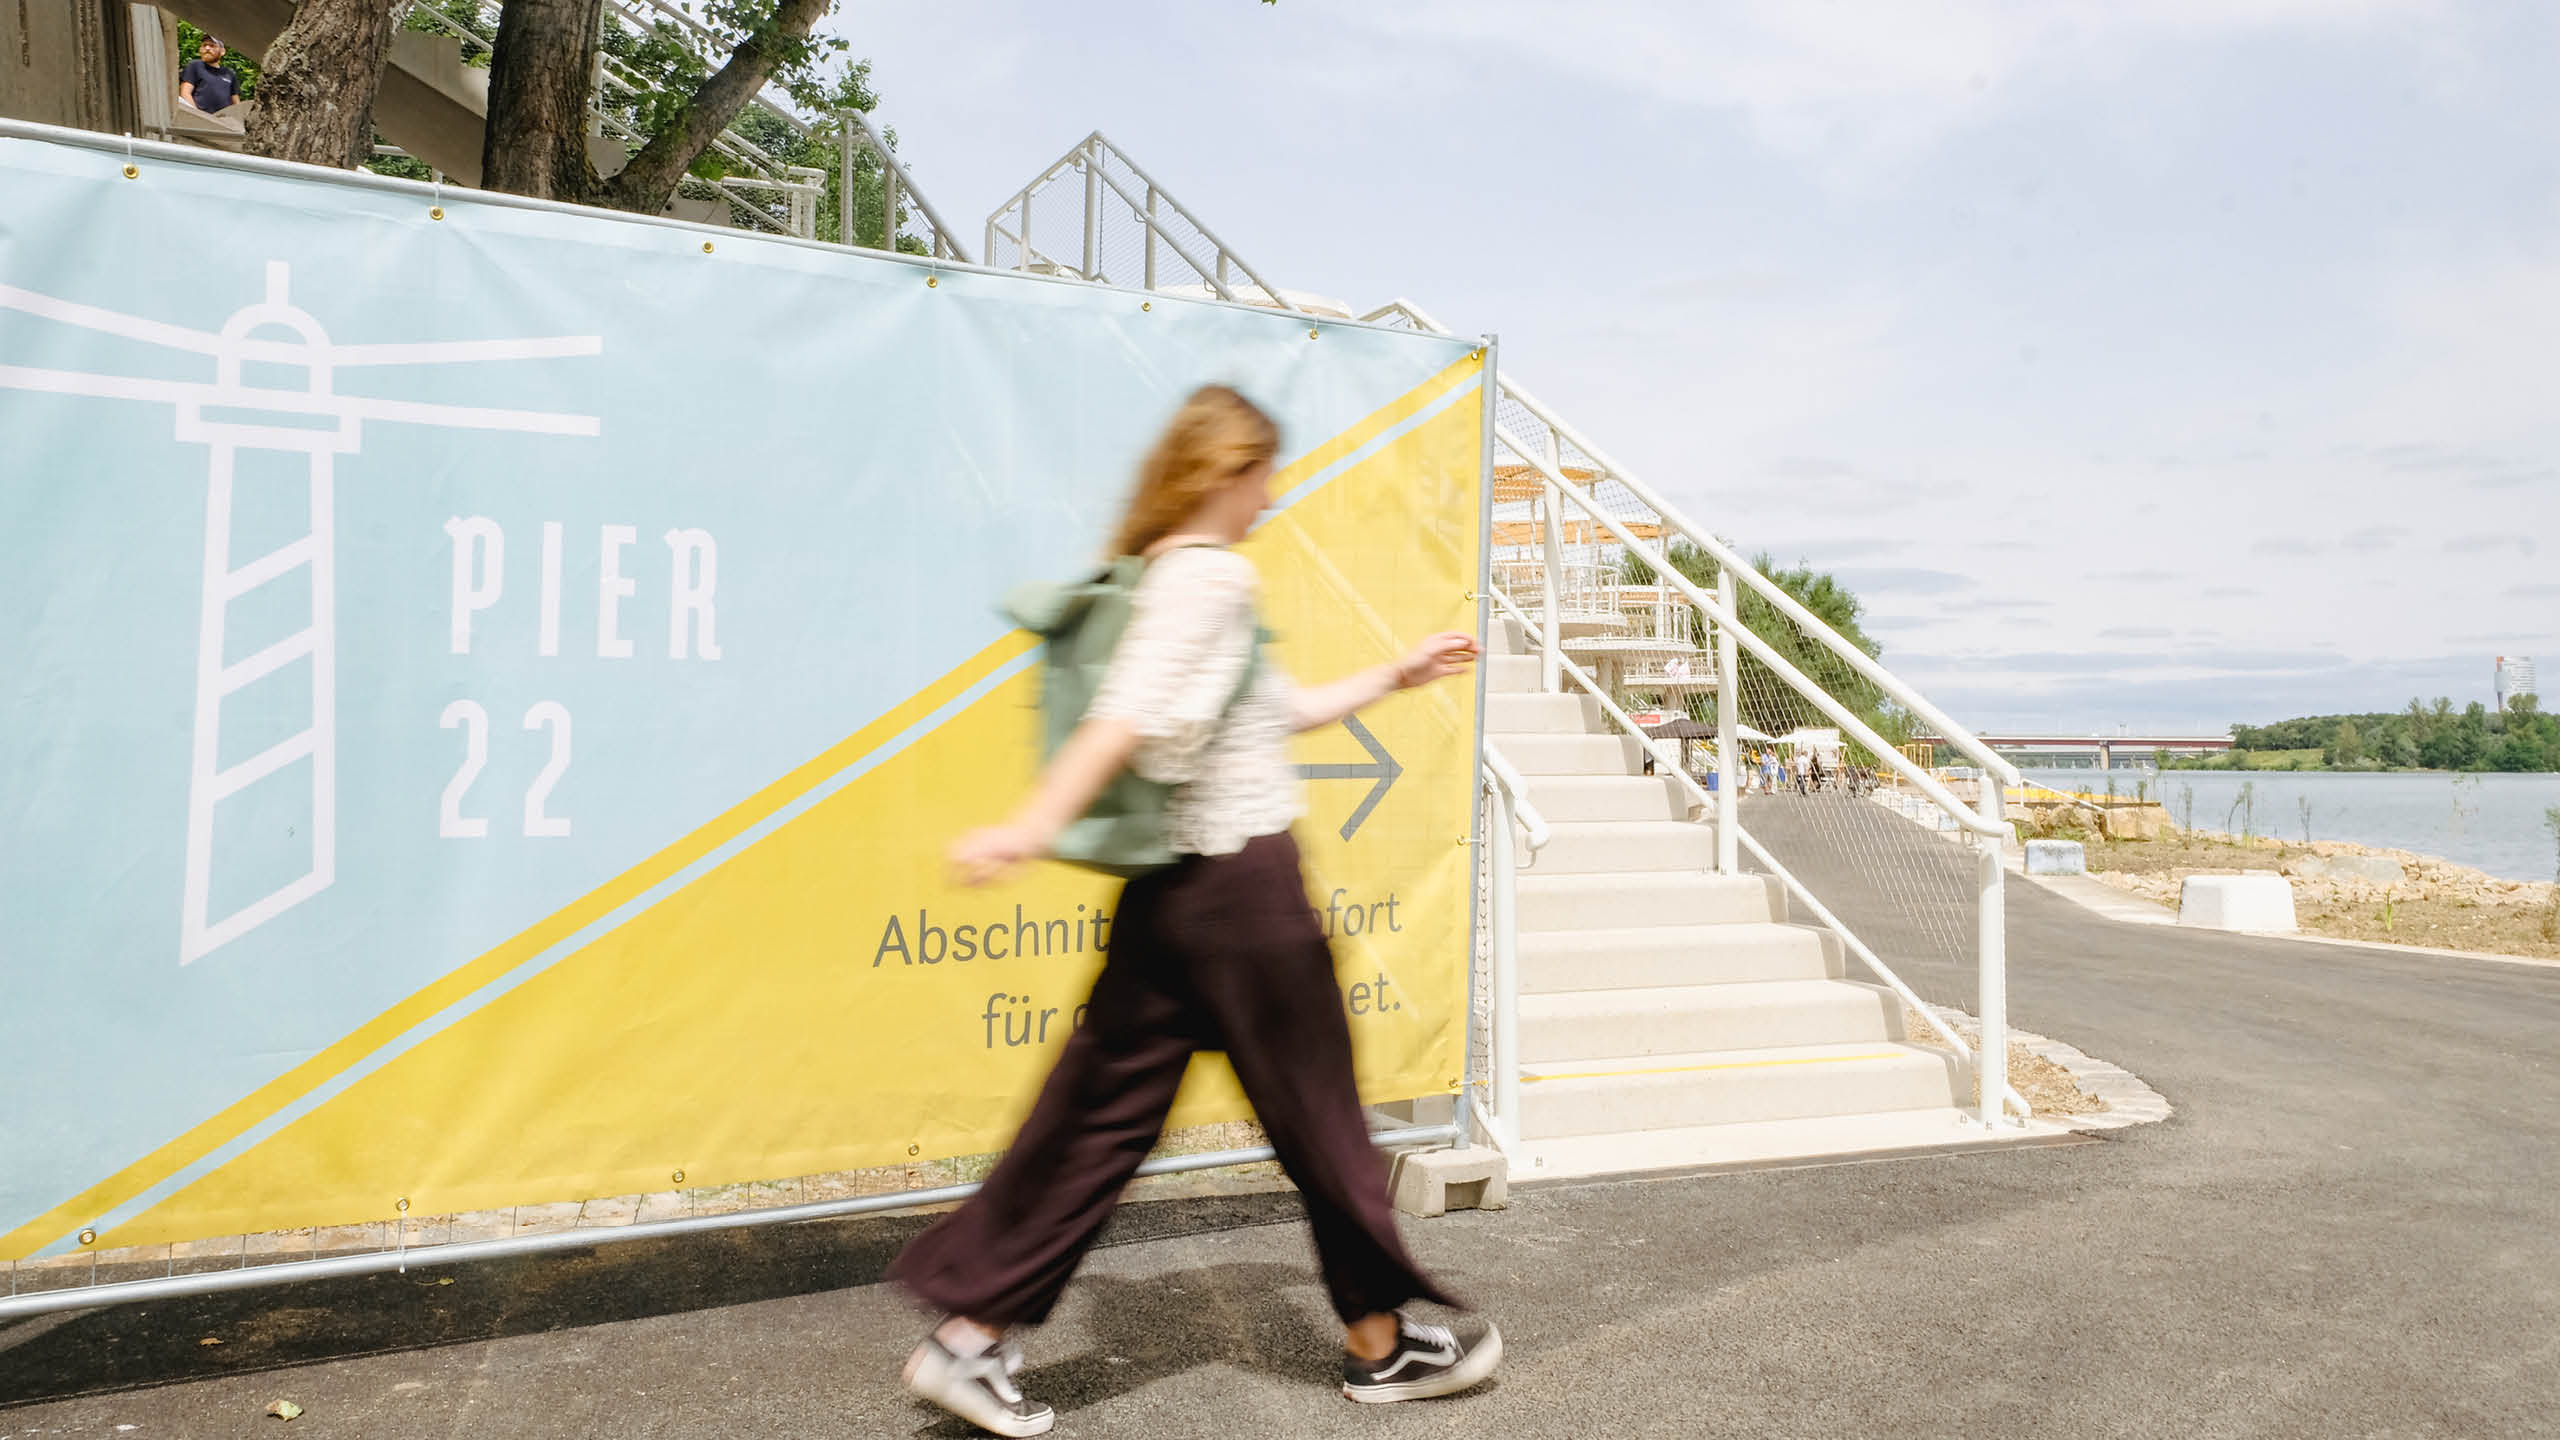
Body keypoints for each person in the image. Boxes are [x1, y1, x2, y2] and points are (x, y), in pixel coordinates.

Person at [890, 385, 1500, 1437]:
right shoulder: (1212, 577)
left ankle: (966, 1341)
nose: (1273, 493)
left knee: (1096, 1122)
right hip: (1244, 894)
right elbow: (1126, 718)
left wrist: (1394, 674)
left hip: (1168, 897)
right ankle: (1381, 1347)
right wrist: (1028, 826)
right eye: (1263, 474)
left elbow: (1267, 714)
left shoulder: (1164, 574)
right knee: (1323, 1128)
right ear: (1221, 474)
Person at [178, 36, 242, 115]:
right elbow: (185, 93)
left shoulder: (229, 74)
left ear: (222, 51)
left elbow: (236, 103)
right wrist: (198, 116)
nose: (207, 48)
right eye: (204, 45)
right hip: (201, 122)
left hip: (225, 123)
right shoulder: (195, 66)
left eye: (212, 45)